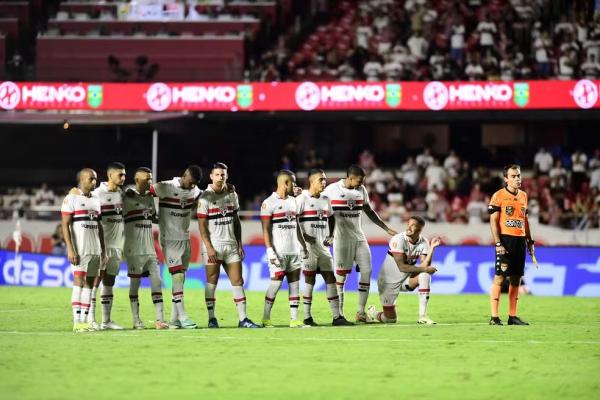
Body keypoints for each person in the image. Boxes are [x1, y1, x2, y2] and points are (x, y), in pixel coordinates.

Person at [323, 165, 397, 322]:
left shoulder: (362, 190)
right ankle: (339, 315)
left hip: (359, 238)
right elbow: (317, 204)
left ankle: (361, 312)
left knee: (367, 271)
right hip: (341, 239)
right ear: (350, 177)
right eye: (359, 180)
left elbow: (369, 210)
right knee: (341, 278)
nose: (362, 183)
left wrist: (385, 228)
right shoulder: (331, 190)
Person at [197, 162, 260, 328]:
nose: (220, 177)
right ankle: (212, 318)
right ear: (211, 176)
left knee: (238, 280)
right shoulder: (205, 197)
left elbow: (236, 221)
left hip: (231, 245)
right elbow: (202, 225)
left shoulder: (232, 194)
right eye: (217, 174)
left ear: (227, 175)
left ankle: (243, 319)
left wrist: (239, 243)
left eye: (223, 174)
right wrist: (209, 246)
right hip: (214, 247)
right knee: (212, 281)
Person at [297, 168, 353, 326]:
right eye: (321, 180)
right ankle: (307, 317)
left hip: (323, 248)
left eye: (324, 179)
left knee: (331, 278)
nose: (324, 182)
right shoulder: (302, 198)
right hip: (308, 248)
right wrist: (303, 236)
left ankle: (337, 317)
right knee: (310, 279)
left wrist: (331, 235)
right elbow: (293, 219)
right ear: (311, 182)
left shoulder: (325, 199)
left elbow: (331, 218)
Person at [150, 165, 203, 329]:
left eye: (194, 184)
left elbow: (201, 196)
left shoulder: (195, 190)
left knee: (181, 278)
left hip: (184, 238)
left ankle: (174, 319)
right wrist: (152, 212)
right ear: (184, 175)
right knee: (177, 276)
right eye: (190, 182)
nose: (191, 186)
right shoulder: (166, 186)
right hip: (170, 238)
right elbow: (146, 191)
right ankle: (183, 316)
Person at [367, 216, 440, 324]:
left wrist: (432, 248)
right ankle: (373, 313)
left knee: (425, 275)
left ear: (419, 229)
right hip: (388, 282)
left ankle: (422, 316)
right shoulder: (398, 239)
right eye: (408, 224)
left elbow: (425, 265)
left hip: (405, 280)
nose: (409, 227)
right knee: (390, 320)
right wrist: (425, 268)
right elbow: (402, 267)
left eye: (413, 226)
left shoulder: (424, 241)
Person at [260, 170, 308, 328]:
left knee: (295, 284)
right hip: (278, 252)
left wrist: (303, 245)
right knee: (276, 284)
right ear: (285, 183)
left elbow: (296, 226)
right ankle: (266, 318)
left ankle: (294, 319)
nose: (295, 186)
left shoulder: (293, 201)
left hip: (294, 251)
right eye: (293, 182)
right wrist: (269, 250)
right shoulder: (268, 203)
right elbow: (265, 229)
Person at [122, 167, 169, 330]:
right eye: (146, 179)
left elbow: (153, 218)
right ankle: (136, 320)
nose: (149, 181)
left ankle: (160, 320)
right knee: (135, 285)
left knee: (157, 282)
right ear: (136, 180)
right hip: (134, 250)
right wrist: (125, 190)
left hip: (150, 250)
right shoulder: (126, 197)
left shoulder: (150, 198)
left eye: (150, 178)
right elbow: (114, 196)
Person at [488, 164, 534, 326]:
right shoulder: (498, 196)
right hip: (505, 241)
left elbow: (524, 220)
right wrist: (498, 242)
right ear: (506, 179)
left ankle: (512, 316)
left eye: (519, 176)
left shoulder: (524, 196)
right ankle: (494, 317)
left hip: (520, 241)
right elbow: (493, 222)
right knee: (500, 278)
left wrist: (530, 240)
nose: (517, 179)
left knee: (516, 278)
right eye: (513, 176)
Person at [61, 168, 106, 332]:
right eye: (90, 179)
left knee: (90, 285)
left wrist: (104, 250)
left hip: (95, 250)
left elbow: (99, 226)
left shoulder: (96, 199)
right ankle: (77, 321)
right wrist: (70, 249)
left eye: (95, 179)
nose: (94, 182)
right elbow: (64, 225)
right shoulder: (71, 198)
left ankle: (85, 322)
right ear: (81, 180)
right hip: (80, 249)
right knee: (78, 282)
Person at [88, 162, 127, 330]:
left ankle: (106, 321)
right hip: (100, 247)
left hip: (116, 247)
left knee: (109, 282)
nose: (124, 178)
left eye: (125, 174)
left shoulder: (123, 195)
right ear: (110, 175)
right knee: (94, 284)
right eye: (120, 175)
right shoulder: (97, 194)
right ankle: (90, 320)